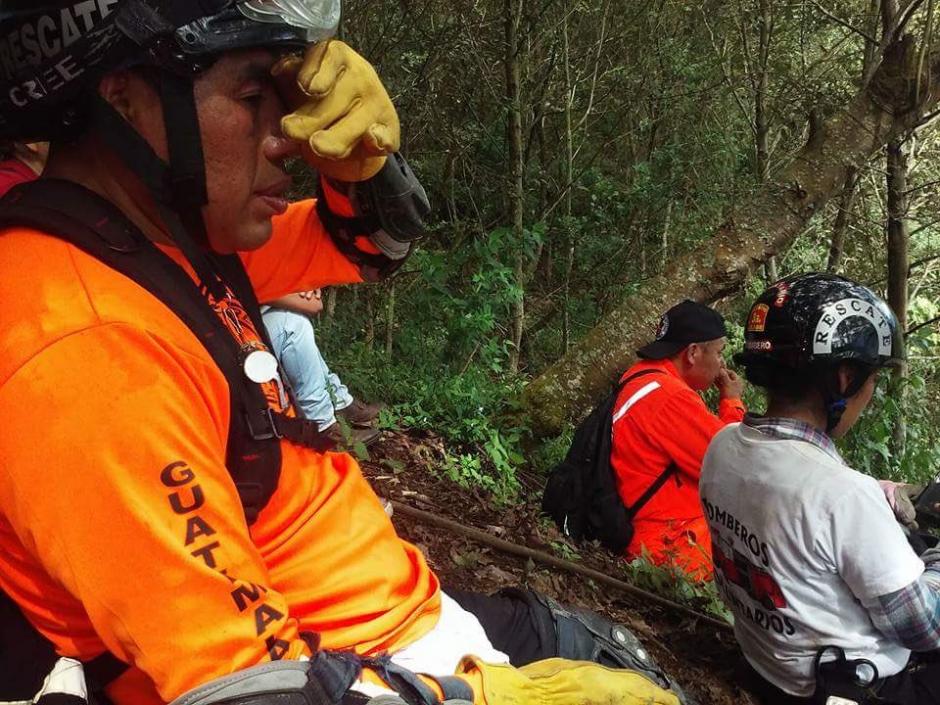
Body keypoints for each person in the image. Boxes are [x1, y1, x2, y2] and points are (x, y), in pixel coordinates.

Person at [0, 4, 683, 705]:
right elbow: (251, 687)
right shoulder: (85, 345)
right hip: (358, 663)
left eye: (288, 100)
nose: (286, 139)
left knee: (611, 655)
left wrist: (363, 167)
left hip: (384, 607)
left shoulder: (154, 244)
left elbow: (370, 245)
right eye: (252, 96)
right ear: (124, 98)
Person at [699, 273, 939, 705]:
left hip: (769, 667)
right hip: (849, 689)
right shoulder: (843, 495)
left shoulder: (722, 445)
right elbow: (923, 629)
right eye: (872, 380)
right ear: (845, 378)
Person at [610, 300, 746, 580]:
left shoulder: (642, 375)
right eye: (719, 352)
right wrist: (732, 401)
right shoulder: (670, 398)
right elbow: (733, 465)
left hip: (648, 532)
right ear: (693, 353)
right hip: (669, 547)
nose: (722, 363)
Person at [262, 289, 385, 446]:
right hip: (237, 342)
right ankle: (320, 425)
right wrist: (293, 291)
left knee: (292, 319)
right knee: (292, 323)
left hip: (249, 330)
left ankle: (340, 402)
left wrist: (299, 288)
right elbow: (313, 305)